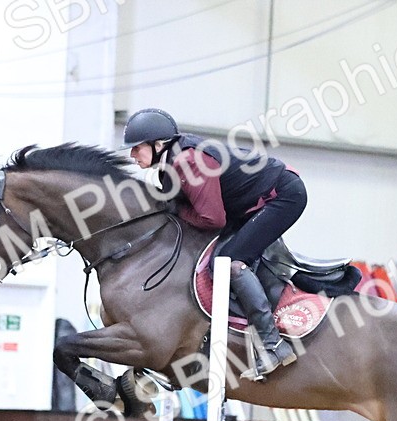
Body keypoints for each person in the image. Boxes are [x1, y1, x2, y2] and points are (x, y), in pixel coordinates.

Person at [124, 108, 304, 380]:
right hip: (250, 202)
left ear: (158, 144)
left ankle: (273, 345)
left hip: (282, 196)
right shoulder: (170, 166)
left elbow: (212, 219)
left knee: (228, 262)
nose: (132, 155)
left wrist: (176, 211)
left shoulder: (187, 161)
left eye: (137, 148)